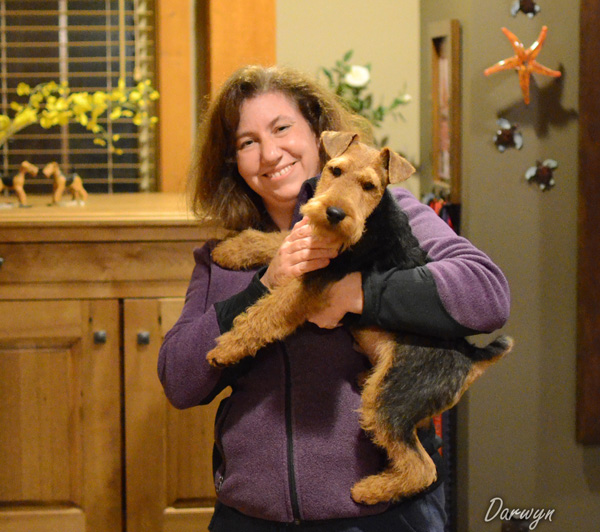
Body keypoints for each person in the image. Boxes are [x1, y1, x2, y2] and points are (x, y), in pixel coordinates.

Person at [158, 65, 510, 532]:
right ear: (232, 162)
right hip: (251, 516)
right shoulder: (224, 257)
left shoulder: (391, 211)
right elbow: (179, 381)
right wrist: (265, 283)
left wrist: (355, 294)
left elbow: (487, 293)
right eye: (247, 142)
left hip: (381, 520)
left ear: (319, 134)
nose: (269, 153)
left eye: (282, 128)